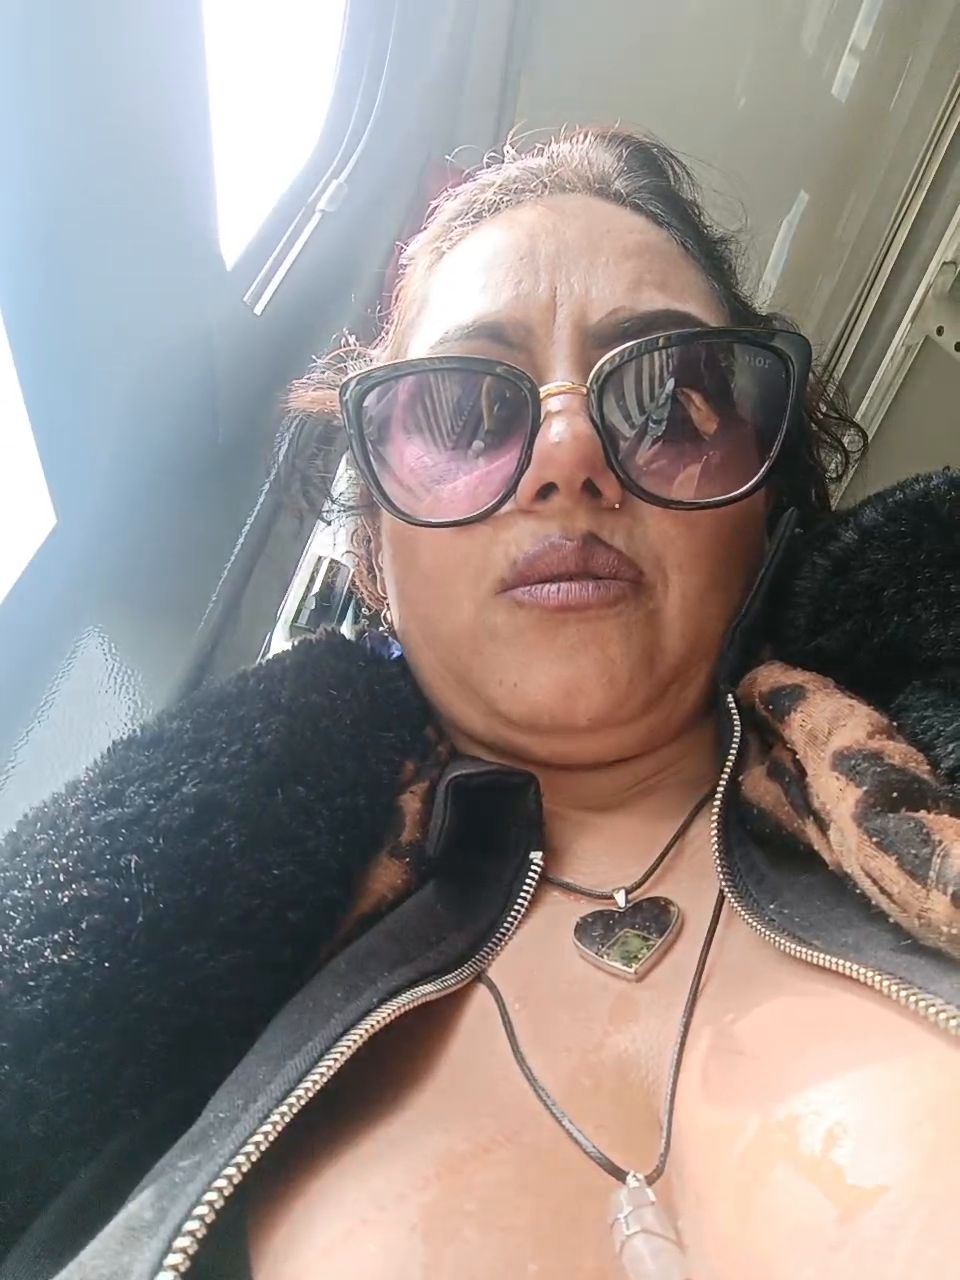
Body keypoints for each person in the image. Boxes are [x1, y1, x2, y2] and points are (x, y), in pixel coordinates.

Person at [1, 128, 957, 1280]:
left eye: (668, 398)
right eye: (463, 410)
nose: (569, 450)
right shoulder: (179, 981)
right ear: (376, 550)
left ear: (766, 493)